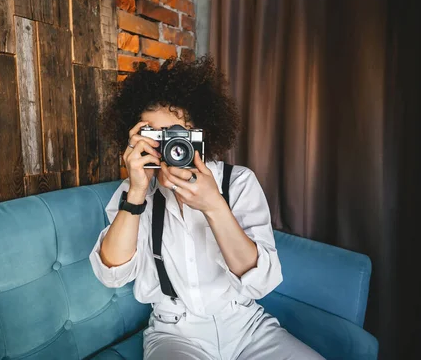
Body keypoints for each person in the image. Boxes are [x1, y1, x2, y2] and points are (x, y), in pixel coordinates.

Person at [89, 57, 323, 359]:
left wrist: (214, 205)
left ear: (198, 133)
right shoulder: (134, 191)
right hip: (174, 332)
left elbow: (261, 281)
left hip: (246, 325)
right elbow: (113, 275)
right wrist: (136, 191)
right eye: (154, 135)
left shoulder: (238, 182)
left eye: (175, 133)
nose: (168, 147)